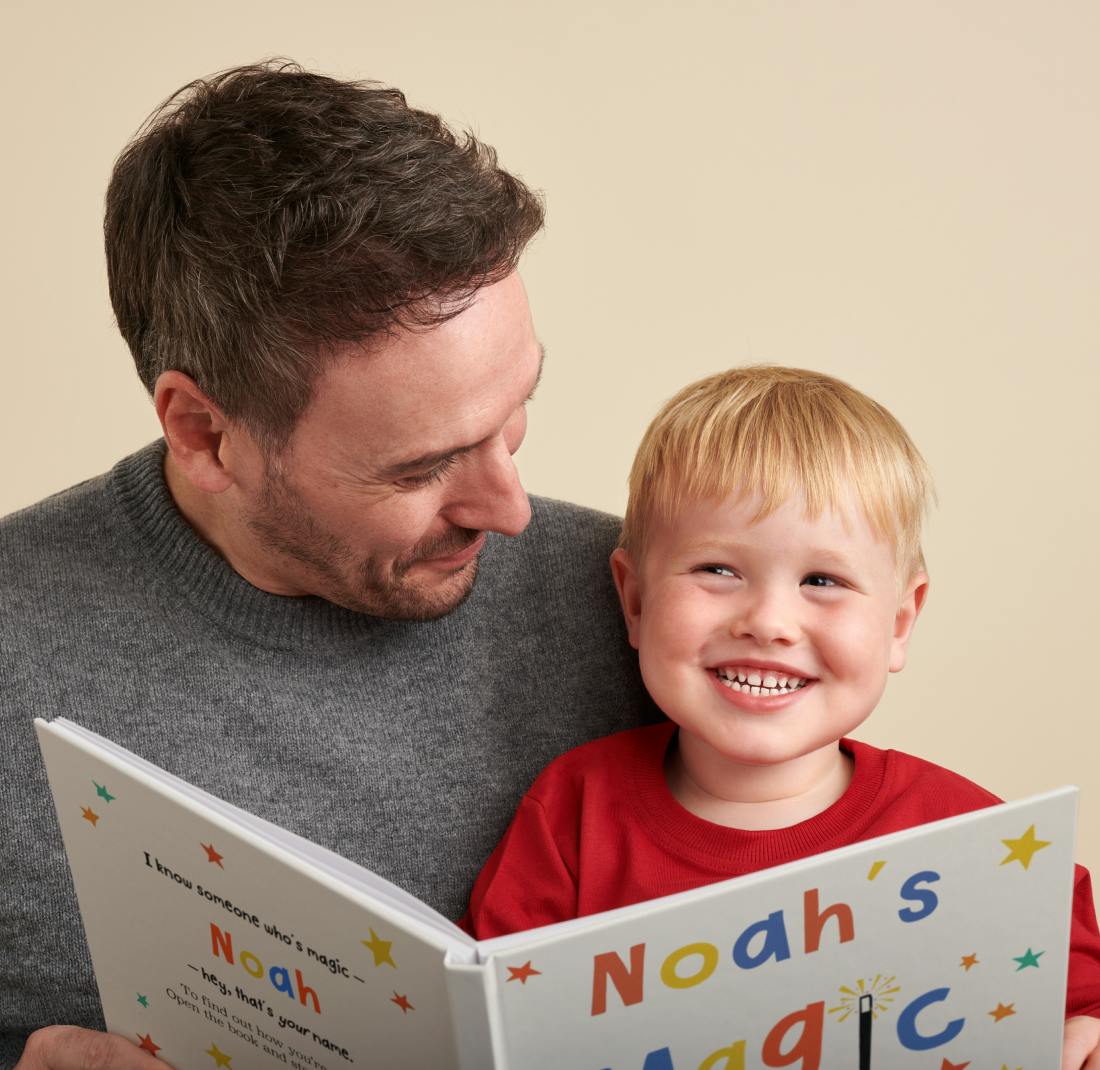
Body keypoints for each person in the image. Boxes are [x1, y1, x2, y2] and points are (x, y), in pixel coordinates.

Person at [0, 61, 655, 1068]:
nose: (510, 508)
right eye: (423, 464)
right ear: (206, 433)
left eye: (514, 410)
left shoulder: (646, 607)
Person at [463, 365, 1100, 1067]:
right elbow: (482, 1025)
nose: (768, 622)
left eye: (822, 581)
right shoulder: (572, 813)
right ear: (635, 601)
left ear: (899, 623)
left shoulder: (974, 847)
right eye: (718, 570)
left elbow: (1079, 1007)